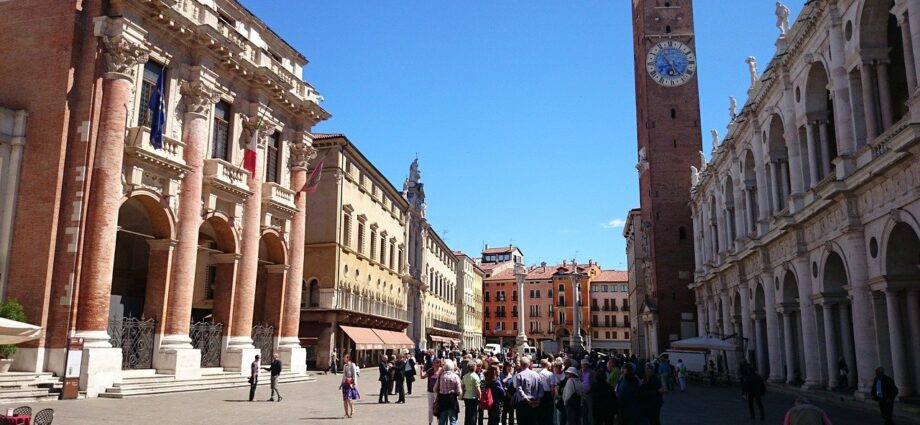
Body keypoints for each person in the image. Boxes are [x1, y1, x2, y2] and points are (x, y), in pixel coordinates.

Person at [513, 356, 544, 425]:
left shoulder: (519, 375)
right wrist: (538, 399)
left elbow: (519, 389)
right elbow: (541, 389)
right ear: (529, 364)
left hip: (524, 403)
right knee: (533, 422)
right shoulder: (536, 374)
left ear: (521, 364)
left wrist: (527, 399)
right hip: (535, 402)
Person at [437, 359, 463, 425]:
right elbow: (459, 391)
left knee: (442, 419)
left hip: (442, 399)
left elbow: (437, 387)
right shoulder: (455, 376)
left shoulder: (441, 376)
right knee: (453, 419)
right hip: (452, 399)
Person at [422, 358, 444, 425]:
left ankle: (439, 422)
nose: (435, 364)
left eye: (437, 362)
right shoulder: (430, 370)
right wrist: (421, 369)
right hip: (430, 391)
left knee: (438, 407)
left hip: (438, 392)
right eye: (434, 362)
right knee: (430, 407)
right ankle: (430, 422)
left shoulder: (442, 371)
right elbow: (422, 377)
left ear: (439, 363)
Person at [340, 353, 360, 418]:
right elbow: (344, 376)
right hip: (345, 384)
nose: (343, 359)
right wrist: (341, 384)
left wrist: (354, 383)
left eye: (345, 357)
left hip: (350, 384)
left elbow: (354, 374)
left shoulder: (352, 365)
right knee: (345, 399)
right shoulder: (345, 366)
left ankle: (352, 409)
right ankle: (346, 413)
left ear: (348, 358)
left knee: (349, 398)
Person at [462, 361, 481, 425]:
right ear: (474, 367)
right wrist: (480, 397)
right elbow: (477, 388)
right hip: (473, 397)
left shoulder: (465, 376)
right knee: (473, 415)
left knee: (467, 413)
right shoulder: (475, 376)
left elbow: (463, 386)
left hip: (466, 397)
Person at [536, 359, 555, 425]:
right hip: (548, 394)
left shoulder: (538, 373)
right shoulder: (550, 374)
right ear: (547, 364)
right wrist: (552, 396)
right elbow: (552, 387)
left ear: (541, 365)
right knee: (549, 413)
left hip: (540, 394)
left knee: (541, 413)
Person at [579, 358, 594, 425]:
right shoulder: (578, 372)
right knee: (583, 411)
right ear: (581, 365)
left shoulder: (592, 372)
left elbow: (594, 383)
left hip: (589, 394)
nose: (585, 366)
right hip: (581, 394)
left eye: (586, 365)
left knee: (590, 411)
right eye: (583, 365)